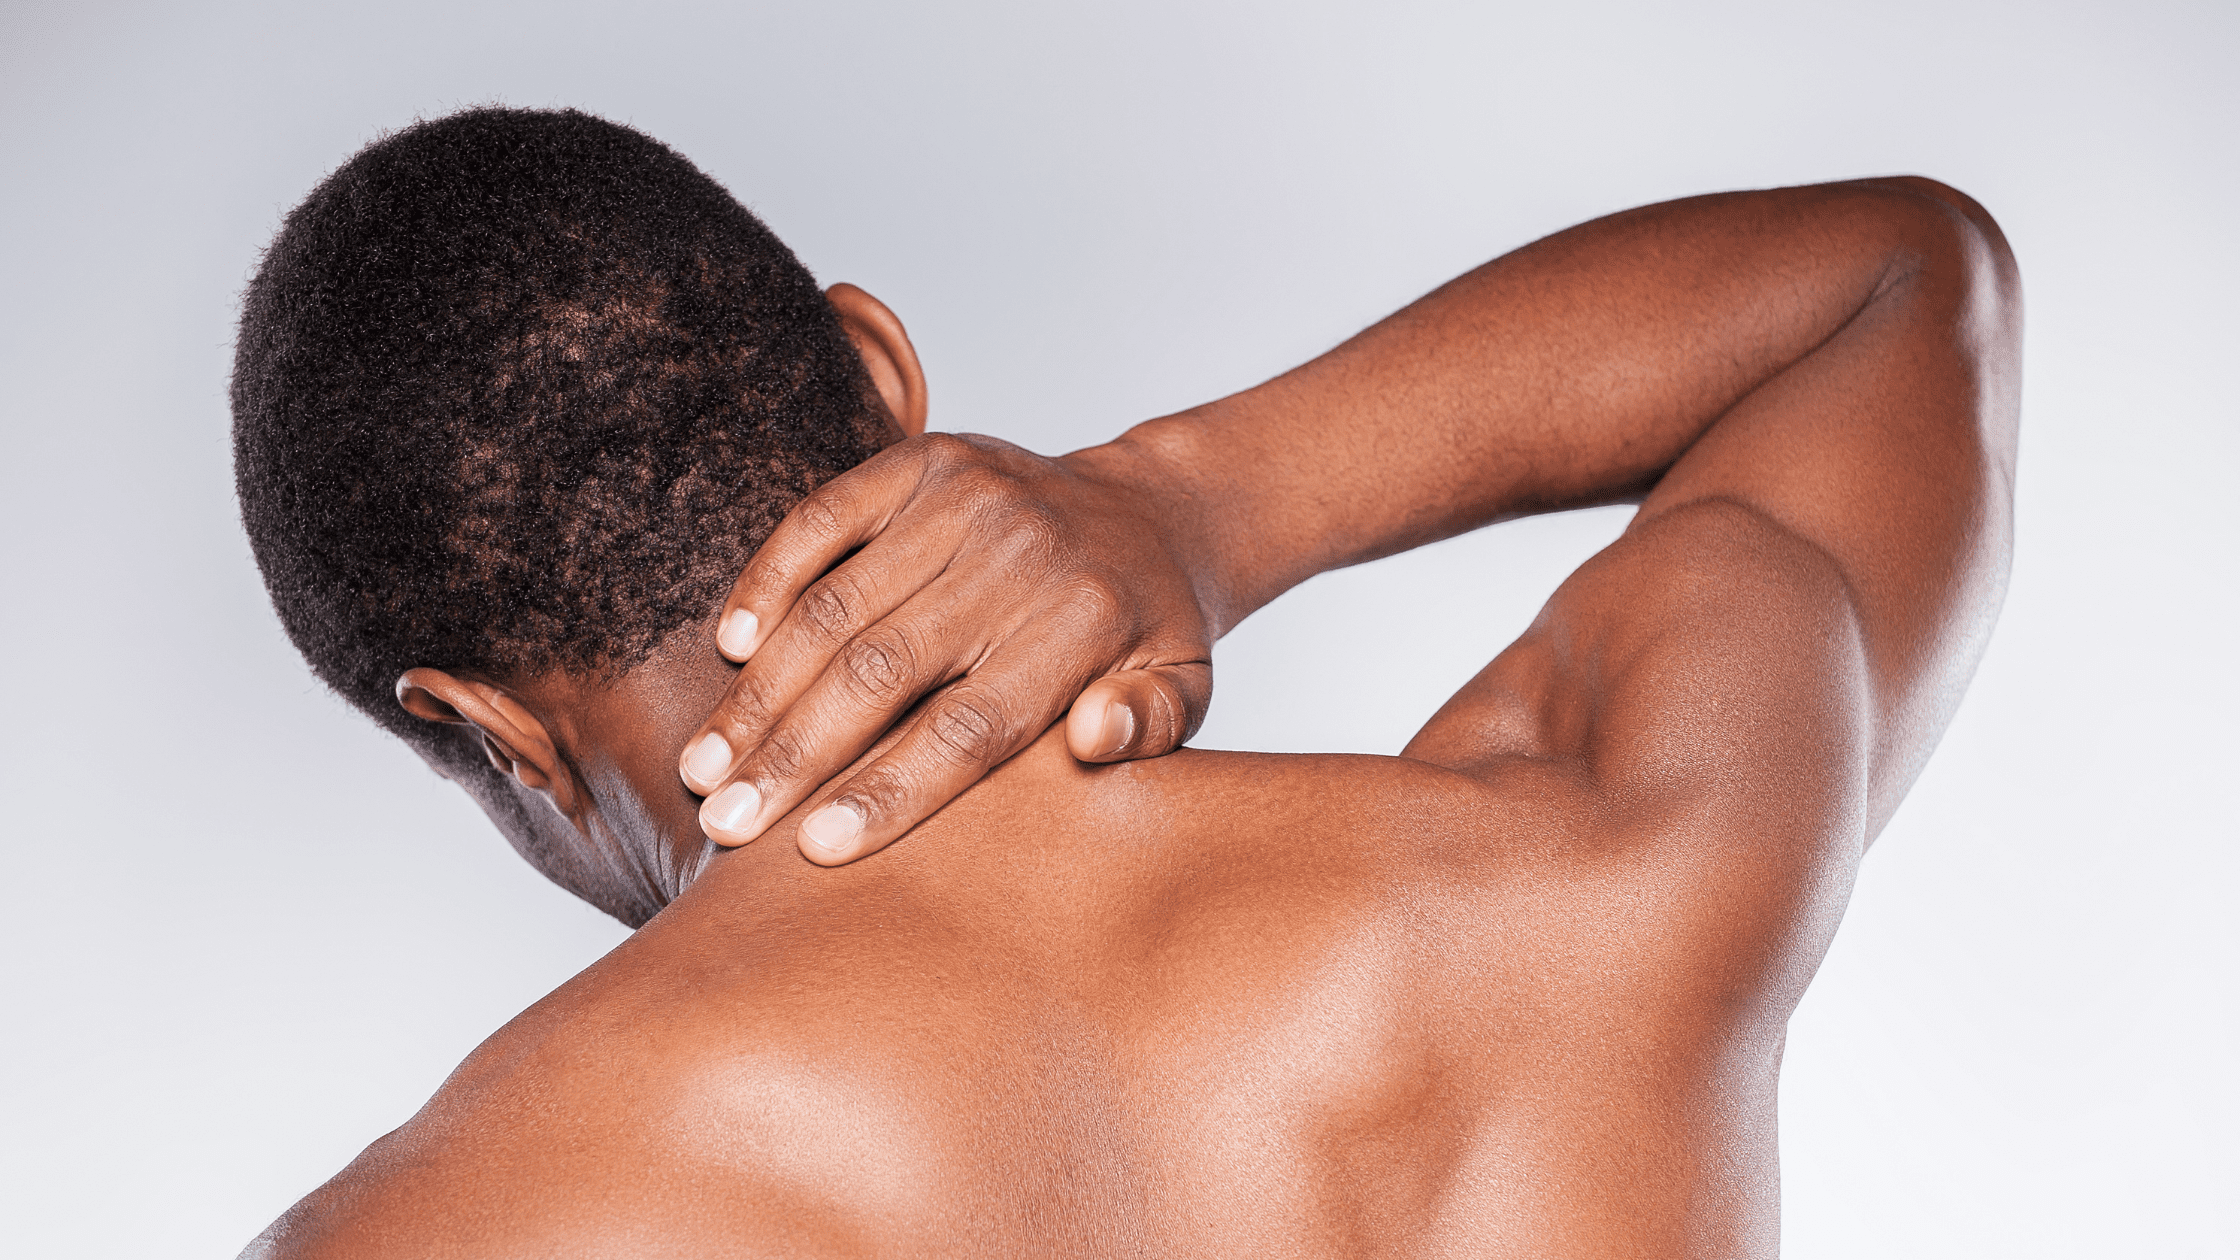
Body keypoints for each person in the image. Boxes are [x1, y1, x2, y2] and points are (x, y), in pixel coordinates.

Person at [233, 107, 2017, 1256]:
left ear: (491, 732)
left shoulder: (449, 1226)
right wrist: (1201, 497)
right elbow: (1899, 283)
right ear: (880, 373)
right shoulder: (1602, 858)